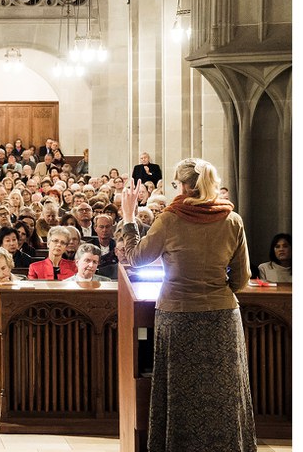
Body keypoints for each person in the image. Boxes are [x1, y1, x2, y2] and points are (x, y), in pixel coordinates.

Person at [121, 158, 254, 452]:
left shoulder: (170, 219)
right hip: (222, 316)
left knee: (180, 390)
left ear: (182, 186)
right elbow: (242, 278)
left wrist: (129, 217)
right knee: (224, 389)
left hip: (178, 315)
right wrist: (218, 293)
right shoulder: (232, 220)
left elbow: (136, 257)